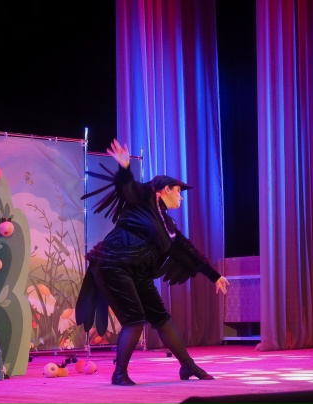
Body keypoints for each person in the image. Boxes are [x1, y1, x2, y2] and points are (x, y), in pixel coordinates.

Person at [76, 139, 230, 386]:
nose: (181, 197)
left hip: (138, 272)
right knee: (135, 319)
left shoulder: (168, 225)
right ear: (165, 189)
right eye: (178, 191)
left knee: (161, 317)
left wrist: (215, 276)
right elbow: (128, 188)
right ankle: (119, 373)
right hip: (113, 264)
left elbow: (188, 251)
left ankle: (188, 366)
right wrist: (125, 167)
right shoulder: (144, 198)